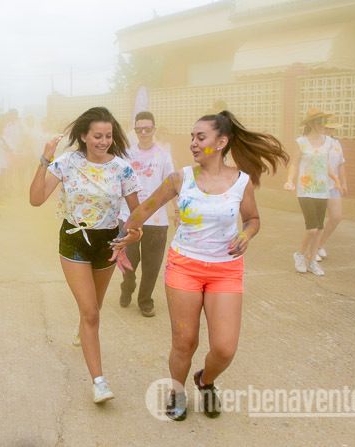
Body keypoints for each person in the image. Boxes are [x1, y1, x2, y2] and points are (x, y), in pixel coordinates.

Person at [112, 110, 288, 421]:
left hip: (226, 270)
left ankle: (205, 381)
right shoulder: (181, 178)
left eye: (201, 137)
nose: (193, 142)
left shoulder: (241, 181)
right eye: (192, 137)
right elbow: (143, 210)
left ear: (221, 142)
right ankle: (177, 391)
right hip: (185, 267)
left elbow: (253, 219)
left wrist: (246, 234)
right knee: (185, 342)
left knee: (224, 348)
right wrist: (125, 235)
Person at [29, 106, 141, 404]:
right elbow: (36, 199)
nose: (103, 141)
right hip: (75, 240)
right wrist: (45, 159)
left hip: (108, 242)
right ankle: (99, 382)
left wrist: (135, 233)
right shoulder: (67, 163)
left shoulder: (122, 169)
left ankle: (84, 328)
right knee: (90, 312)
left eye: (108, 136)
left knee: (95, 307)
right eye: (97, 136)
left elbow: (136, 214)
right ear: (83, 136)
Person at [118, 111, 177, 317]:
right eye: (139, 129)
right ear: (135, 130)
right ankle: (127, 286)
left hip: (157, 219)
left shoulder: (163, 155)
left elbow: (173, 184)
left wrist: (177, 210)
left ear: (154, 129)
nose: (143, 133)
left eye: (147, 129)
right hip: (129, 217)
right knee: (129, 261)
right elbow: (118, 184)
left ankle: (145, 300)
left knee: (152, 266)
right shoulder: (126, 155)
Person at [284, 108, 338, 276]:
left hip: (322, 190)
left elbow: (326, 164)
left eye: (324, 122)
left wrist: (336, 179)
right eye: (320, 122)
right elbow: (294, 163)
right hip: (305, 190)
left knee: (320, 229)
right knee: (312, 229)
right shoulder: (301, 142)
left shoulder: (328, 142)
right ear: (312, 123)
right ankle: (300, 255)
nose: (324, 125)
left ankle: (312, 260)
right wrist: (289, 180)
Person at [317, 119, 347, 259]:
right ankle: (311, 250)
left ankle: (319, 245)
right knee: (317, 221)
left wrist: (343, 183)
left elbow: (341, 164)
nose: (330, 131)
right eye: (327, 128)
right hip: (318, 186)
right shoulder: (317, 142)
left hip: (333, 186)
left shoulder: (336, 143)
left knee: (336, 217)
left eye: (332, 128)